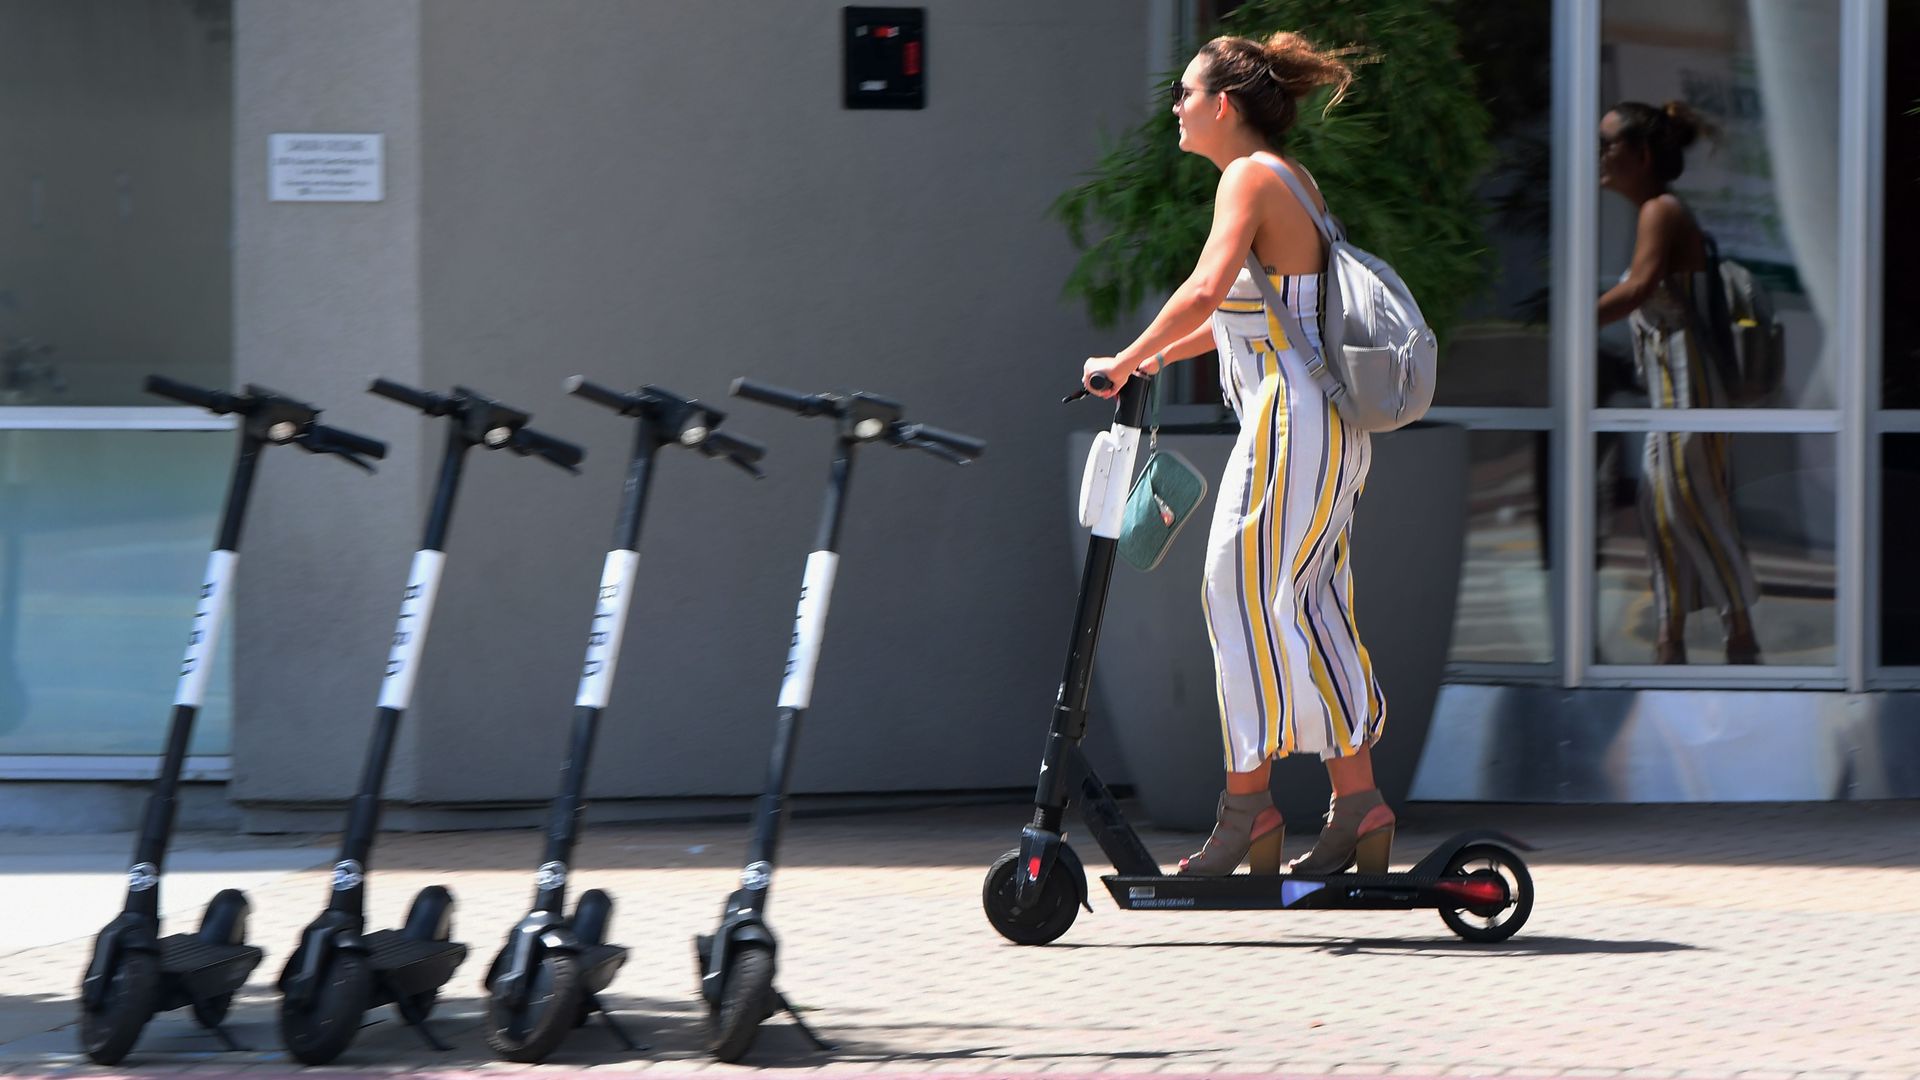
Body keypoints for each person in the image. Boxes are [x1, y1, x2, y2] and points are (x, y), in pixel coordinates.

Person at [1081, 31, 1393, 877]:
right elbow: (1240, 317)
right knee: (1315, 598)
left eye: (1184, 93)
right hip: (1324, 426)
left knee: (1236, 589)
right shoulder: (1290, 181)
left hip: (1290, 424)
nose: (1175, 107)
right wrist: (1142, 359)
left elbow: (1205, 290)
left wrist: (1122, 355)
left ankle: (1248, 813)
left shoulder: (1248, 176)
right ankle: (1358, 803)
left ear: (1224, 105)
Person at [1596, 100, 1761, 665]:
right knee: (1659, 508)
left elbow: (1640, 288)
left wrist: (1573, 318)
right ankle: (1672, 638)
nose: (1600, 157)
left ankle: (1739, 630)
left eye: (1608, 144)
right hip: (1671, 389)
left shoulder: (1660, 210)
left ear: (1641, 155)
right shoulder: (1657, 210)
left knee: (1693, 500)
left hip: (1692, 383)